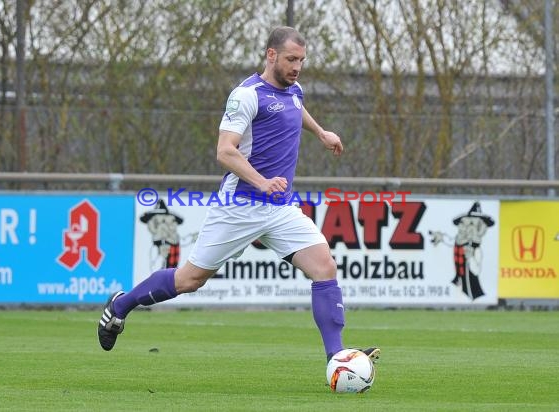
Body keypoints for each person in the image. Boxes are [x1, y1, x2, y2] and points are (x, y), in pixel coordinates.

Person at [97, 26, 380, 365]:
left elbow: (295, 107)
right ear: (271, 55)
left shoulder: (295, 89)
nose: (297, 67)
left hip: (279, 207)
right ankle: (120, 306)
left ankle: (337, 356)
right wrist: (260, 181)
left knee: (324, 267)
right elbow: (225, 151)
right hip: (239, 206)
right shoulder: (246, 95)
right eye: (291, 59)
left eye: (302, 60)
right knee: (189, 280)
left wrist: (321, 132)